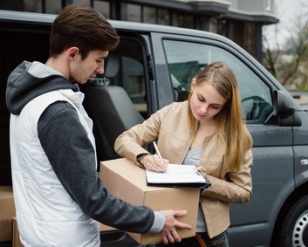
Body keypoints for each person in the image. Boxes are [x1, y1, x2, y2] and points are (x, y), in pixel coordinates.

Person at [5, 4, 191, 246]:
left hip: (39, 233)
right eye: (99, 59)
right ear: (73, 53)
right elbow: (94, 200)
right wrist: (154, 220)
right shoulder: (58, 112)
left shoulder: (30, 97)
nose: (102, 69)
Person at [114, 62, 253, 247]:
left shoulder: (237, 135)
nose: (204, 110)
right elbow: (124, 140)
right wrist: (144, 157)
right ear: (193, 85)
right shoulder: (171, 112)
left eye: (215, 106)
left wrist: (205, 182)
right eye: (200, 99)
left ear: (226, 105)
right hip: (164, 227)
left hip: (207, 236)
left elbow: (244, 192)